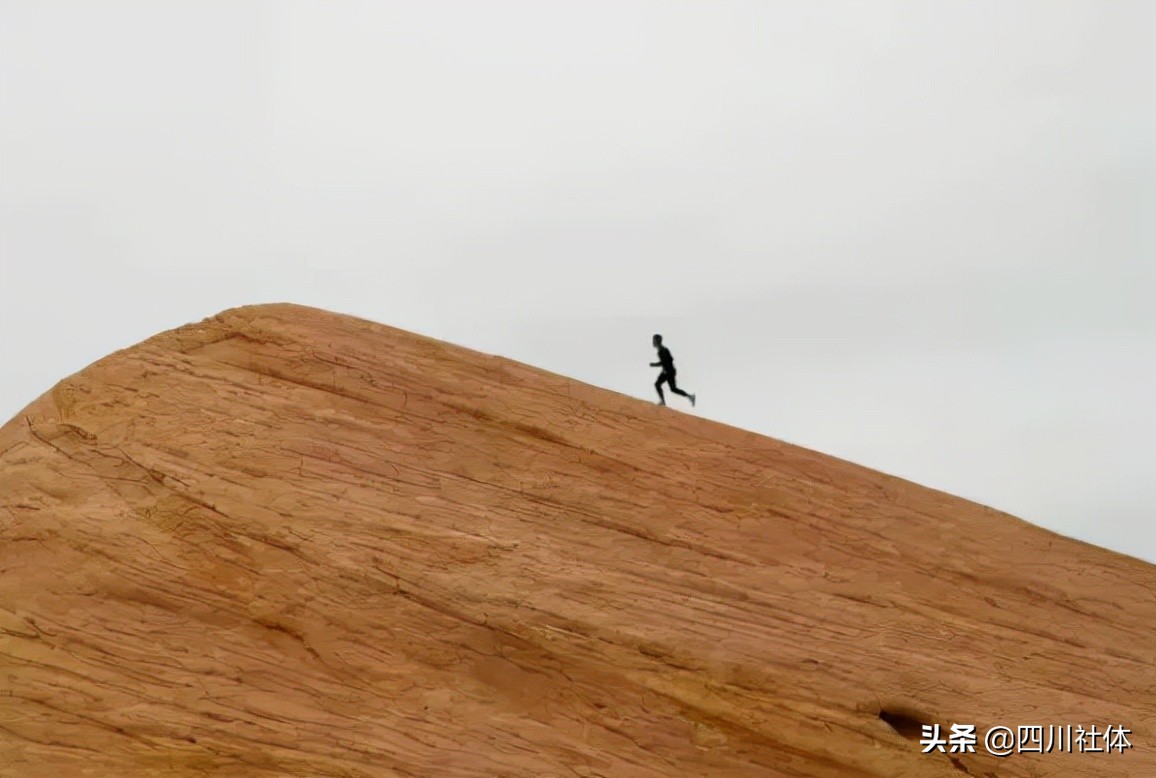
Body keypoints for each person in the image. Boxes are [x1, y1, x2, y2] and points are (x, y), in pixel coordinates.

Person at [650, 334, 695, 407]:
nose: (653, 342)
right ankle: (690, 396)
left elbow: (667, 361)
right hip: (669, 371)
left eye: (654, 340)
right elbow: (669, 360)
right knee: (673, 389)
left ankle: (663, 402)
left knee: (659, 385)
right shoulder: (663, 349)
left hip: (668, 372)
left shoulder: (662, 350)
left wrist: (658, 366)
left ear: (657, 341)